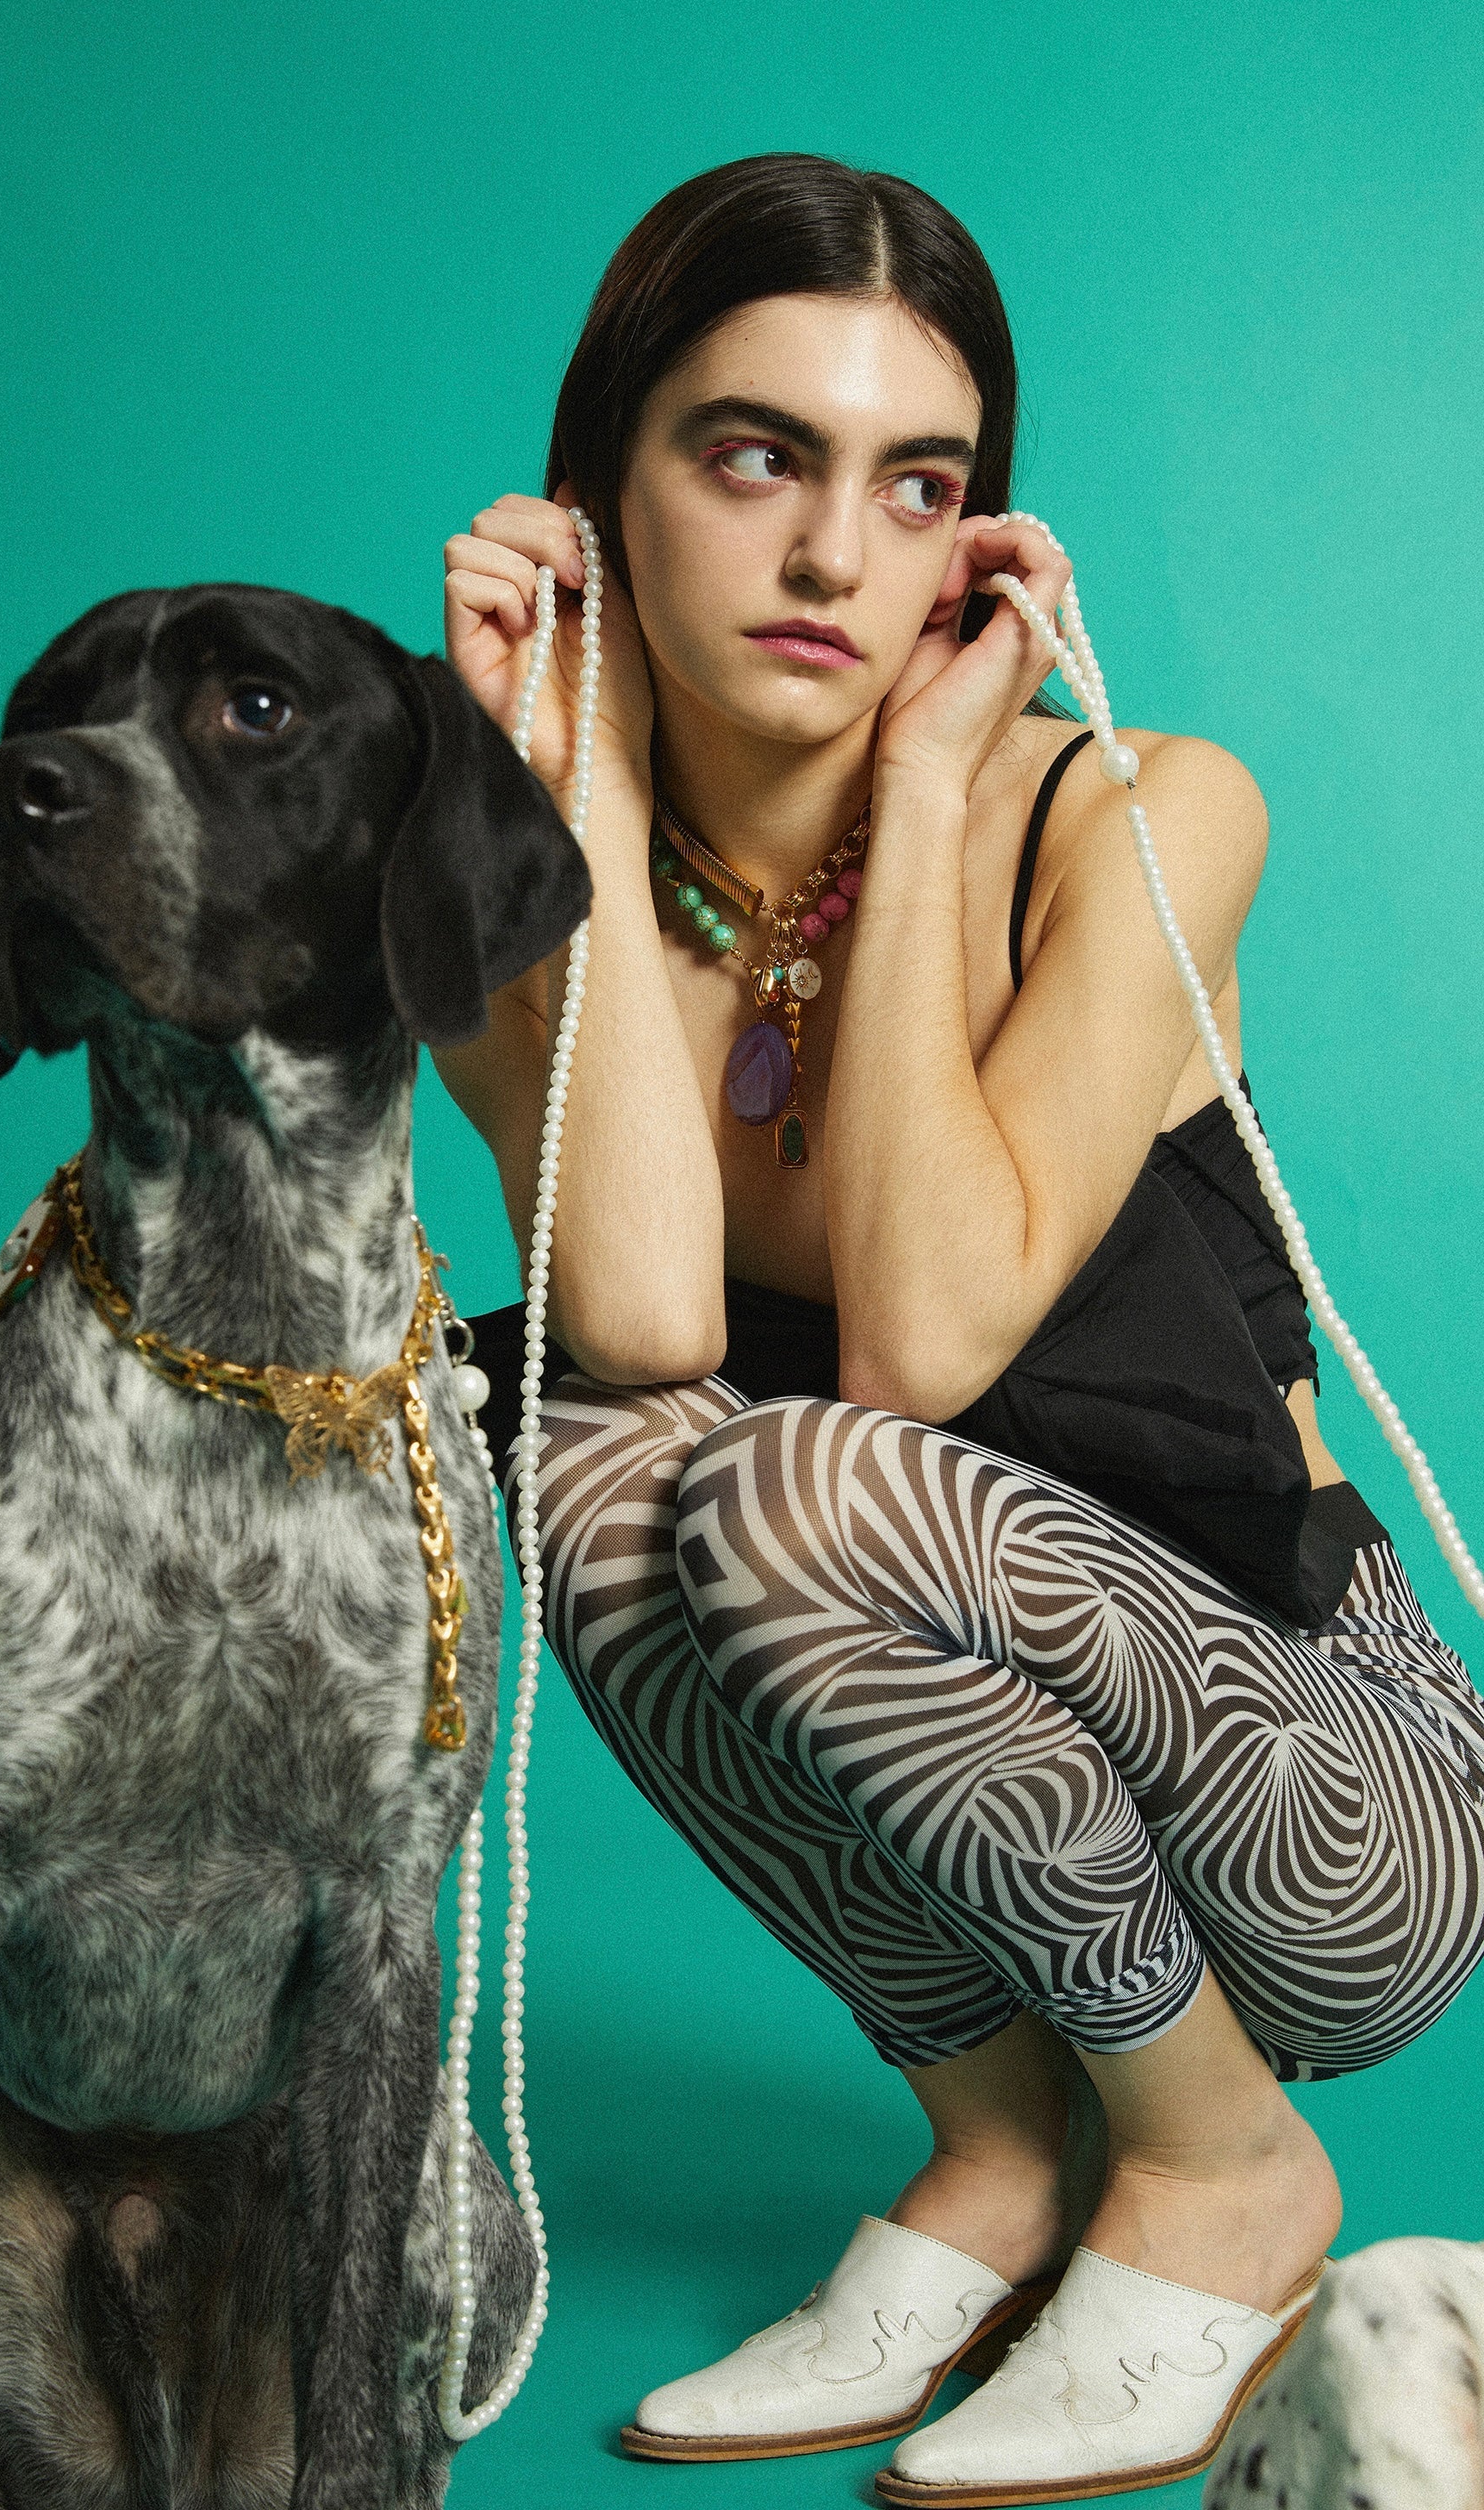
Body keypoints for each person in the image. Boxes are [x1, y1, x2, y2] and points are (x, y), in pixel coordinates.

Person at [434, 153, 1484, 2502]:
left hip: (1334, 1806)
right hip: (990, 1840)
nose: (838, 555)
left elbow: (919, 1348)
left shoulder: (1145, 814)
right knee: (589, 1451)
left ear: (978, 543)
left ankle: (1220, 2167)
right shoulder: (514, 865)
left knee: (799, 1475)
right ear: (594, 489)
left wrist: (921, 788)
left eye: (917, 486)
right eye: (754, 458)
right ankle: (1005, 2150)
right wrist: (580, 776)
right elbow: (639, 1311)